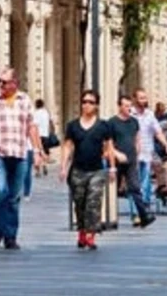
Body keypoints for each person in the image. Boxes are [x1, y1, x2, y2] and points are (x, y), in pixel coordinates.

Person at [0, 67, 46, 250]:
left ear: (15, 84)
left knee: (13, 197)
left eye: (4, 82)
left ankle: (10, 236)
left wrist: (37, 151)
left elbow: (31, 127)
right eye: (0, 81)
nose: (1, 85)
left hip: (20, 154)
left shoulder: (25, 101)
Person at [60, 89, 116, 250]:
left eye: (91, 102)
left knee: (93, 201)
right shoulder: (73, 126)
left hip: (97, 170)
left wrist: (112, 168)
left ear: (96, 105)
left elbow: (109, 147)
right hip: (77, 170)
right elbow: (68, 146)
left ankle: (91, 235)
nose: (86, 105)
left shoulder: (103, 126)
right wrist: (63, 167)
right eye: (84, 101)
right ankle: (82, 232)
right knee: (79, 202)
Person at [108, 94, 156, 228]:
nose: (128, 109)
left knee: (135, 188)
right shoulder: (112, 123)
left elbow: (137, 138)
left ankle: (144, 216)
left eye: (130, 106)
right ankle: (106, 217)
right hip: (117, 161)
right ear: (119, 106)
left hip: (131, 160)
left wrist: (137, 152)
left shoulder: (134, 122)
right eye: (126, 106)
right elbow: (108, 144)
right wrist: (113, 163)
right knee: (113, 190)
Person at [132, 88, 167, 213]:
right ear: (135, 99)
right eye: (141, 98)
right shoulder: (130, 114)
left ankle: (143, 206)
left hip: (147, 152)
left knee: (145, 181)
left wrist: (166, 145)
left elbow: (158, 132)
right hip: (133, 154)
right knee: (135, 181)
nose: (144, 100)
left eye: (145, 97)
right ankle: (138, 208)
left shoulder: (149, 114)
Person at [33, 98, 55, 175]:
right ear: (43, 105)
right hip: (45, 134)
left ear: (36, 105)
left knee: (38, 152)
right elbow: (51, 122)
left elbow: (34, 125)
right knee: (45, 151)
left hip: (37, 135)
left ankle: (38, 170)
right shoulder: (46, 113)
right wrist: (52, 130)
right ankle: (44, 165)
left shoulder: (35, 113)